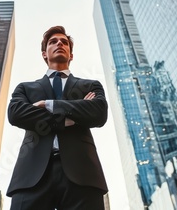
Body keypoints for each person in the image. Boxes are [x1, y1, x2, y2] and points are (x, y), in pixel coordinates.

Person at [6, 26, 108, 210]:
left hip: (82, 173)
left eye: (64, 42)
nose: (59, 43)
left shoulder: (90, 85)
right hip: (31, 175)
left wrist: (48, 104)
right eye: (53, 42)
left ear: (71, 55)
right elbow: (16, 114)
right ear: (44, 54)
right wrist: (70, 117)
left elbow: (98, 113)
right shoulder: (25, 88)